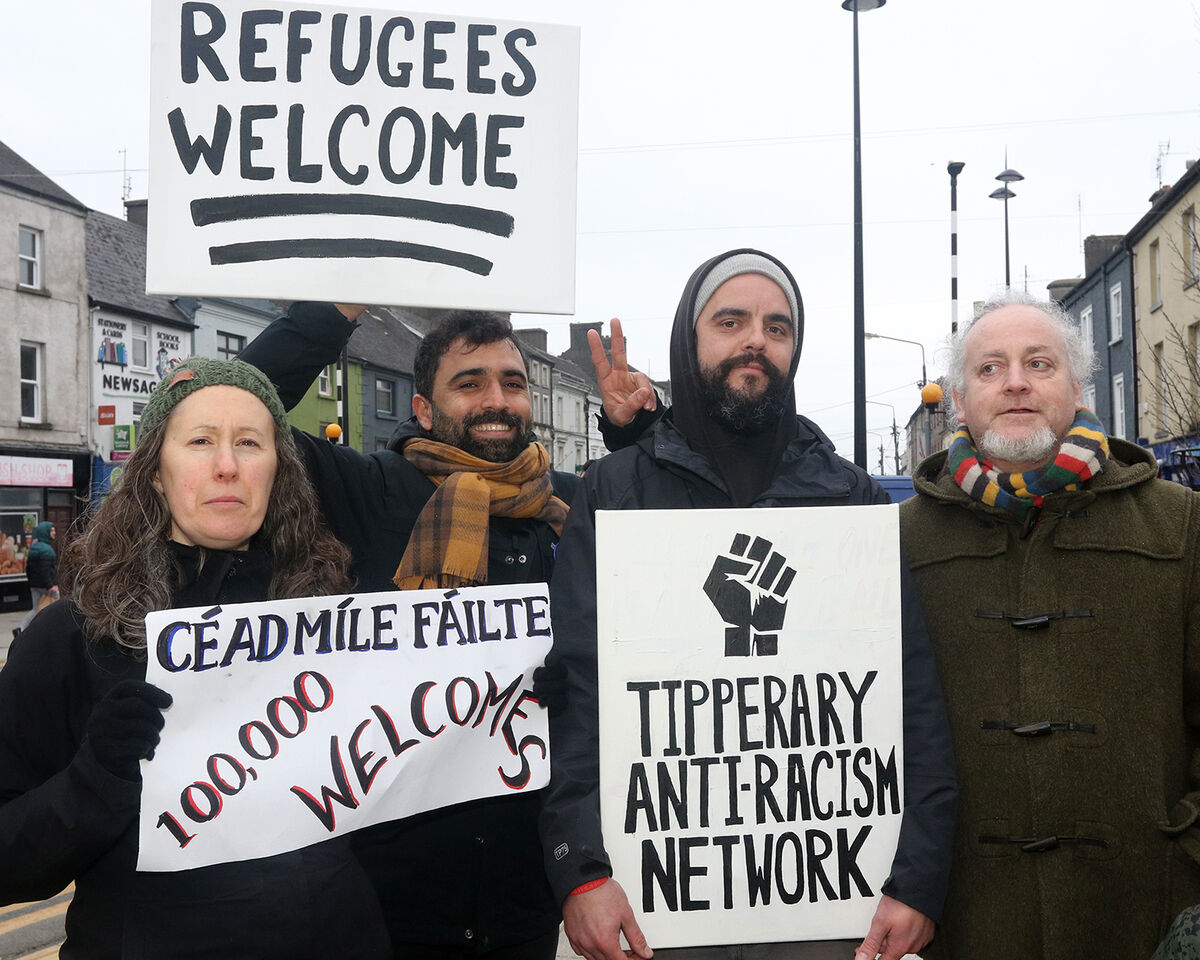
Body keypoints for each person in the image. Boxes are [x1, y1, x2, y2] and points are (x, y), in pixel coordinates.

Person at [540, 249, 956, 960]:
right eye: (730, 321)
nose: (755, 340)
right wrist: (579, 872)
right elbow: (576, 688)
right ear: (689, 339)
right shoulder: (614, 491)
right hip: (654, 905)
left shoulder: (848, 496)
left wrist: (918, 879)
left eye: (777, 326)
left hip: (827, 905)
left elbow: (910, 691)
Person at [0, 357, 389, 959]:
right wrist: (95, 781)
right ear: (156, 470)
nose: (227, 466)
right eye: (201, 441)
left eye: (250, 443)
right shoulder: (72, 636)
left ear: (278, 472)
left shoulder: (340, 623)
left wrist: (505, 695)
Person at [240, 305, 577, 960]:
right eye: (470, 382)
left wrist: (636, 430)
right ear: (423, 409)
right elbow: (235, 404)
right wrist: (333, 311)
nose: (497, 400)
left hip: (528, 902)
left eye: (512, 382)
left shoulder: (568, 507)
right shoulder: (367, 491)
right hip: (387, 904)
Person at [898, 291, 1200, 959]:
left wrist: (1190, 870)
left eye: (1039, 363)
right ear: (959, 398)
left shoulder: (1179, 522)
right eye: (989, 368)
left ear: (1077, 385)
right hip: (961, 921)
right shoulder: (900, 539)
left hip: (1146, 912)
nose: (1014, 383)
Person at [19, 519, 56, 631]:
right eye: (52, 531)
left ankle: (22, 629)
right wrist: (51, 585)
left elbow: (28, 569)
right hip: (46, 586)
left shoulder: (33, 548)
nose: (54, 533)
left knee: (35, 609)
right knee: (55, 608)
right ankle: (52, 631)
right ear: (45, 533)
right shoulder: (47, 550)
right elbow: (45, 570)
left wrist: (31, 582)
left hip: (34, 585)